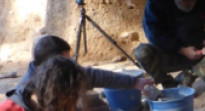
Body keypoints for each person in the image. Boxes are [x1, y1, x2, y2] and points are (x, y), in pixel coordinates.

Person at [12, 35, 154, 101]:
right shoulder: (27, 95)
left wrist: (134, 82)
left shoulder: (56, 73)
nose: (71, 65)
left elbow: (94, 76)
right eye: (66, 61)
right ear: (51, 65)